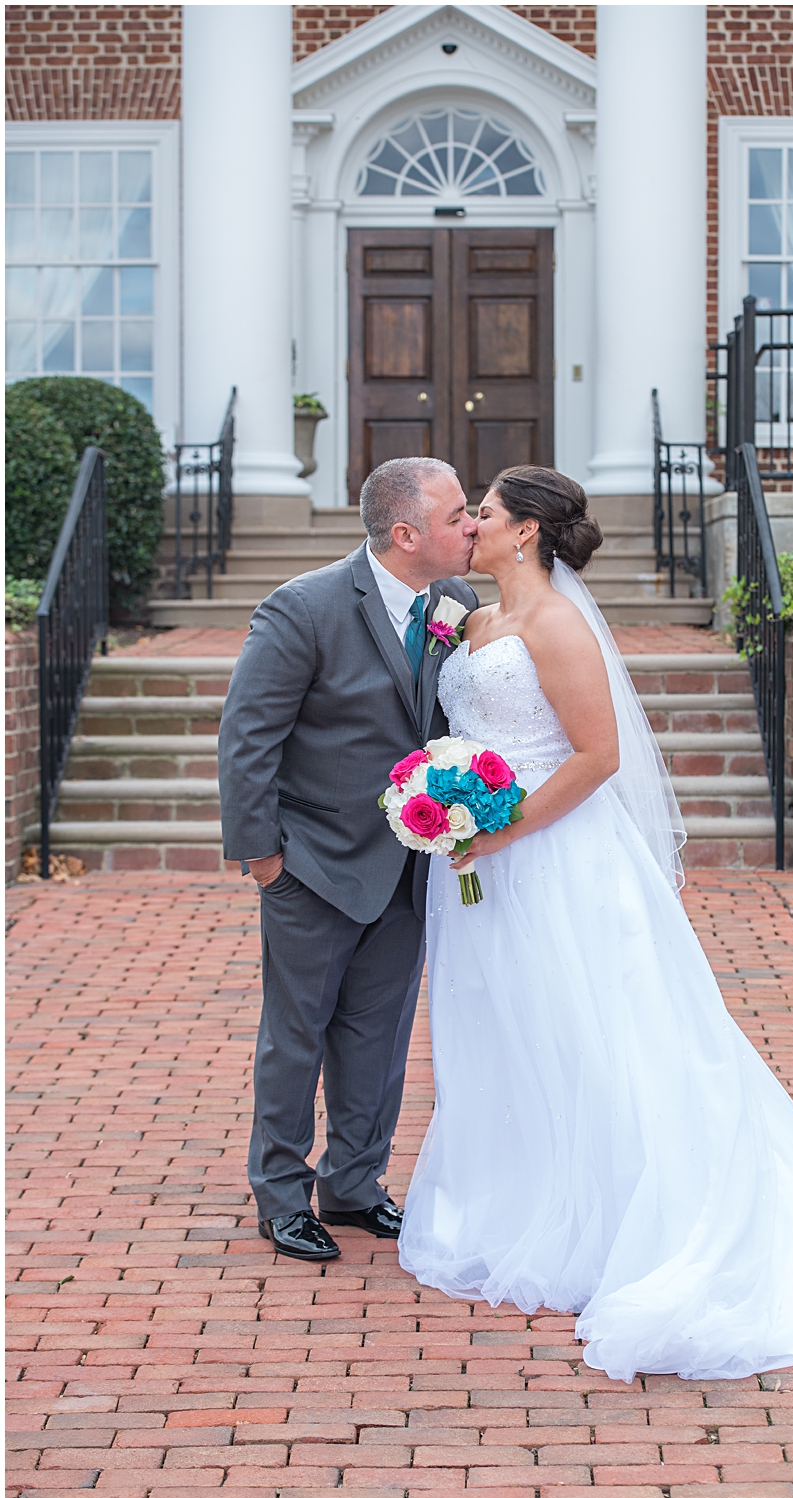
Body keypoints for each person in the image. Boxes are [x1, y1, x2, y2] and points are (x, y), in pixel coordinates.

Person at [395, 464, 793, 1380]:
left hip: (556, 857)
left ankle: (625, 1218)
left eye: (482, 514)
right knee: (511, 1028)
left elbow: (599, 755)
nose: (471, 526)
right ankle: (524, 1199)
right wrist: (447, 805)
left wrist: (499, 828)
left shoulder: (556, 624)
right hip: (483, 863)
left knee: (595, 1031)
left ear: (525, 531)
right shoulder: (476, 621)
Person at [219, 457, 479, 1262]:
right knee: (296, 1034)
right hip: (315, 867)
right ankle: (281, 1195)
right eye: (458, 515)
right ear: (406, 535)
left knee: (381, 1034)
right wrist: (265, 860)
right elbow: (247, 739)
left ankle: (357, 1186)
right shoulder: (303, 608)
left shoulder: (458, 604)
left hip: (410, 865)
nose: (474, 526)